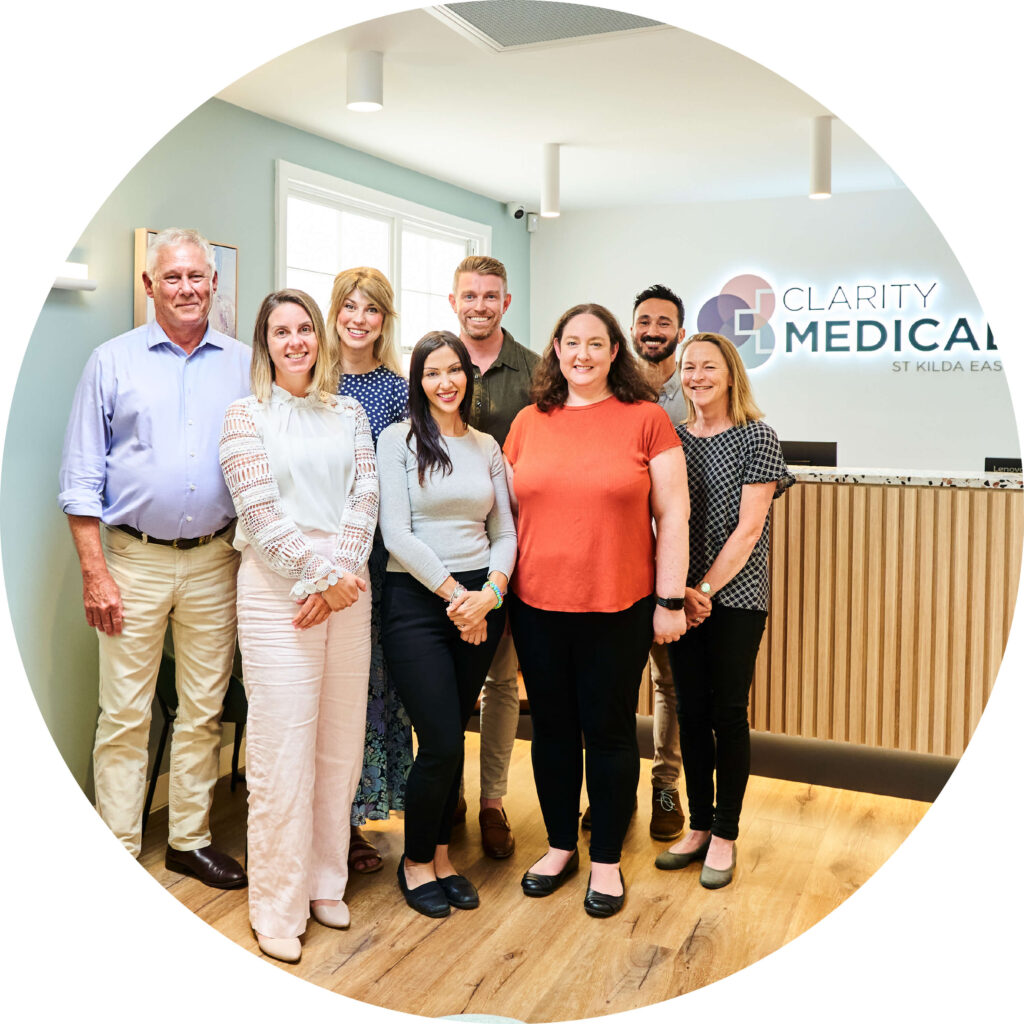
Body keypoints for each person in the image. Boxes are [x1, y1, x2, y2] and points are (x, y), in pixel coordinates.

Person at [58, 227, 250, 888]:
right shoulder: (111, 361)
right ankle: (115, 845)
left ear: (214, 283)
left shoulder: (244, 364)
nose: (187, 288)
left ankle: (189, 839)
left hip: (216, 562)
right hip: (132, 563)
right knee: (125, 714)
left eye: (197, 276)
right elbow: (80, 479)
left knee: (202, 709)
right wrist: (95, 574)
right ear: (149, 286)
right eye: (172, 278)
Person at [503, 303, 689, 918]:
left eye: (596, 343)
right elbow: (503, 515)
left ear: (616, 352)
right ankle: (560, 847)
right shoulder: (529, 422)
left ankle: (605, 859)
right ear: (555, 349)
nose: (582, 354)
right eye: (571, 342)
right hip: (536, 606)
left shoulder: (647, 419)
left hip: (619, 606)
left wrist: (667, 601)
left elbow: (674, 516)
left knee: (608, 734)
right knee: (552, 731)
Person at [219, 288, 378, 963]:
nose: (295, 341)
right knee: (282, 755)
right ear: (266, 344)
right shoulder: (244, 415)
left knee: (339, 745)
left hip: (348, 590)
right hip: (276, 591)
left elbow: (365, 497)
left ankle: (323, 880)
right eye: (280, 331)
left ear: (320, 337)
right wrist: (318, 579)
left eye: (304, 328)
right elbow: (258, 510)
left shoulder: (349, 412)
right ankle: (277, 905)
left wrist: (339, 580)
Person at [377, 331, 516, 917]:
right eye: (433, 373)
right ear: (419, 380)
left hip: (480, 601)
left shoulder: (487, 445)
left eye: (454, 370)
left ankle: (441, 856)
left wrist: (491, 593)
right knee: (437, 740)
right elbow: (397, 533)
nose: (446, 382)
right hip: (417, 600)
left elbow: (505, 532)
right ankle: (414, 863)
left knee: (451, 735)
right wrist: (459, 597)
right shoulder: (399, 439)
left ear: (468, 375)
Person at [654, 331, 794, 889]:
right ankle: (699, 825)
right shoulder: (673, 438)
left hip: (733, 599)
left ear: (731, 373)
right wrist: (678, 593)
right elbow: (663, 518)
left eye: (708, 367)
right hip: (680, 596)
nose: (697, 376)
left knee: (727, 713)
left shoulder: (758, 435)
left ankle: (727, 833)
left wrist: (704, 590)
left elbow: (750, 527)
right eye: (689, 367)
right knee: (690, 709)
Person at [447, 255, 538, 859]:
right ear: (454, 301)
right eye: (469, 295)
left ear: (505, 302)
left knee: (501, 681)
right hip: (441, 557)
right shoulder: (434, 363)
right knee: (444, 684)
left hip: (512, 551)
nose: (479, 305)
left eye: (490, 296)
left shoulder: (535, 373)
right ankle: (445, 791)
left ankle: (493, 802)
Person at [327, 266, 412, 876]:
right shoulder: (309, 377)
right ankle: (321, 817)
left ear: (385, 320)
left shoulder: (399, 389)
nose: (359, 319)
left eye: (372, 310)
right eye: (350, 307)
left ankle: (357, 818)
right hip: (312, 555)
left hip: (381, 564)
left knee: (373, 689)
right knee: (326, 689)